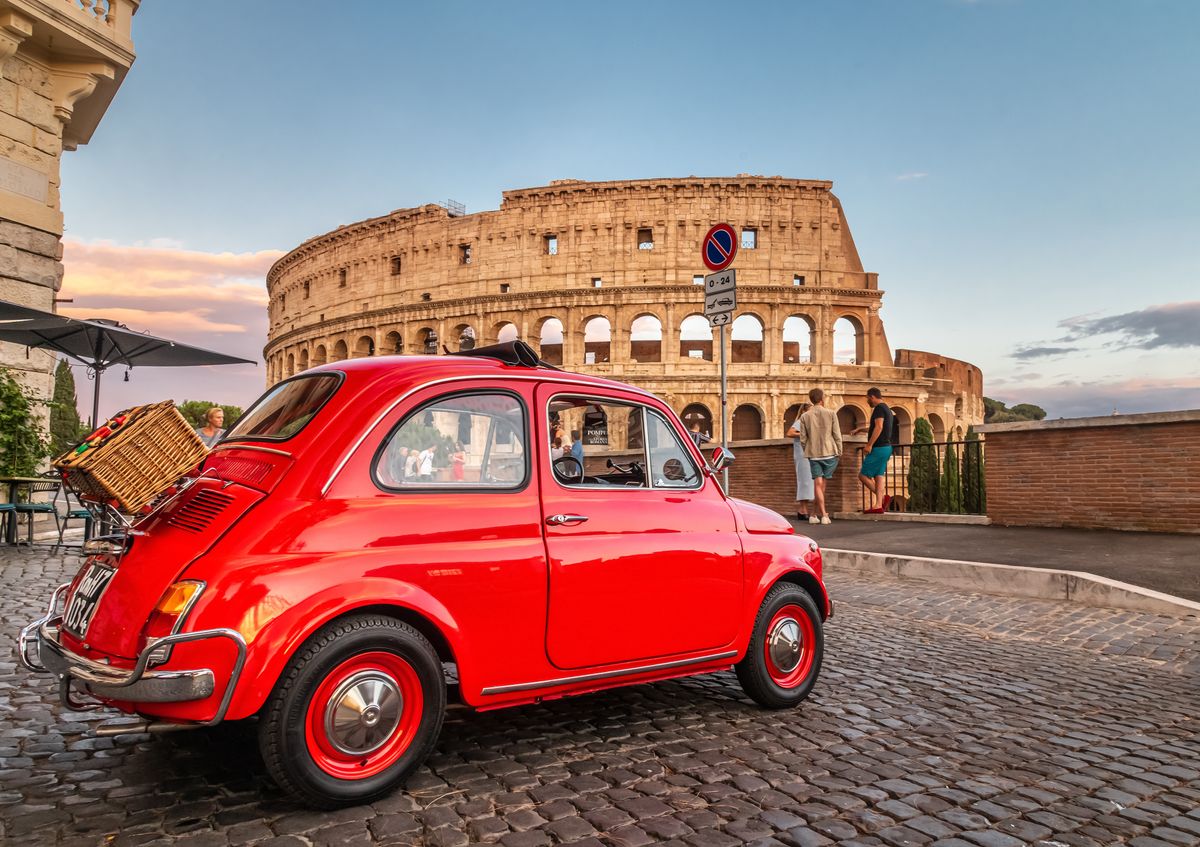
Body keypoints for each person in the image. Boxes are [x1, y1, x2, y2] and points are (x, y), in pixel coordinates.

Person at [799, 388, 842, 525]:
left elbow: (803, 439)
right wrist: (839, 450)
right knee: (823, 485)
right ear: (822, 399)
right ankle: (824, 514)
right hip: (830, 452)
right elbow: (837, 434)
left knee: (818, 485)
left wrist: (808, 450)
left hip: (814, 454)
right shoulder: (831, 413)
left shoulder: (805, 416)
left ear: (811, 399)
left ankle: (813, 514)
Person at [853, 387, 895, 514]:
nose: (867, 401)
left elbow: (879, 427)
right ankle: (878, 504)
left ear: (872, 396)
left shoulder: (879, 409)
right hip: (886, 448)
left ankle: (881, 499)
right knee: (879, 476)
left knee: (863, 475)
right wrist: (860, 429)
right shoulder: (886, 408)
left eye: (867, 398)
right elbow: (875, 427)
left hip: (878, 448)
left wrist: (869, 445)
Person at [786, 403, 814, 522]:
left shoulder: (809, 422)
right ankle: (803, 509)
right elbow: (790, 433)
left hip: (809, 454)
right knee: (805, 482)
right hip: (802, 456)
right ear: (804, 411)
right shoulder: (801, 420)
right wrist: (804, 435)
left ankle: (803, 509)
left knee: (809, 482)